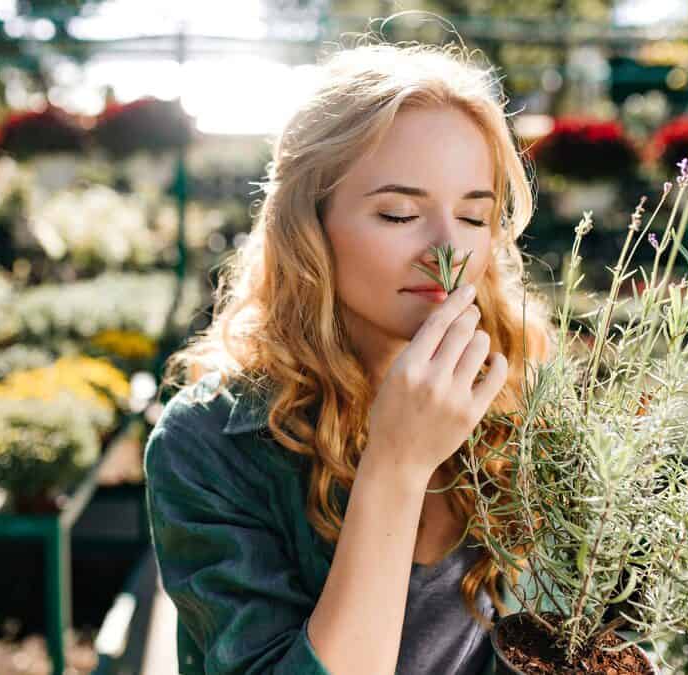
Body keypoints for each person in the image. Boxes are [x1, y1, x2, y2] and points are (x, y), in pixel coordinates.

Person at [144, 39, 558, 675]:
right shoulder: (208, 443)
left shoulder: (522, 402)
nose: (445, 249)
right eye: (398, 214)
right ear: (309, 225)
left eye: (475, 218)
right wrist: (396, 464)